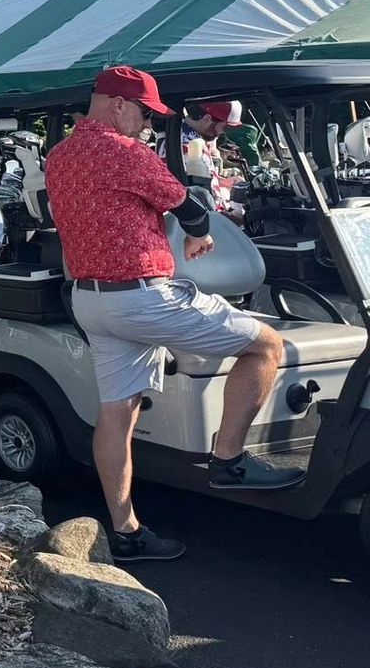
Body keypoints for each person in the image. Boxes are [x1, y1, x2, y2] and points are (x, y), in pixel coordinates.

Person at [43, 65, 298, 563]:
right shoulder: (126, 153)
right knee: (266, 345)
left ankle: (127, 532)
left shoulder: (59, 156)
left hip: (92, 300)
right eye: (144, 112)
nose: (147, 124)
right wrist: (201, 236)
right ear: (118, 104)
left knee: (117, 411)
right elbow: (191, 208)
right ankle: (229, 460)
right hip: (142, 298)